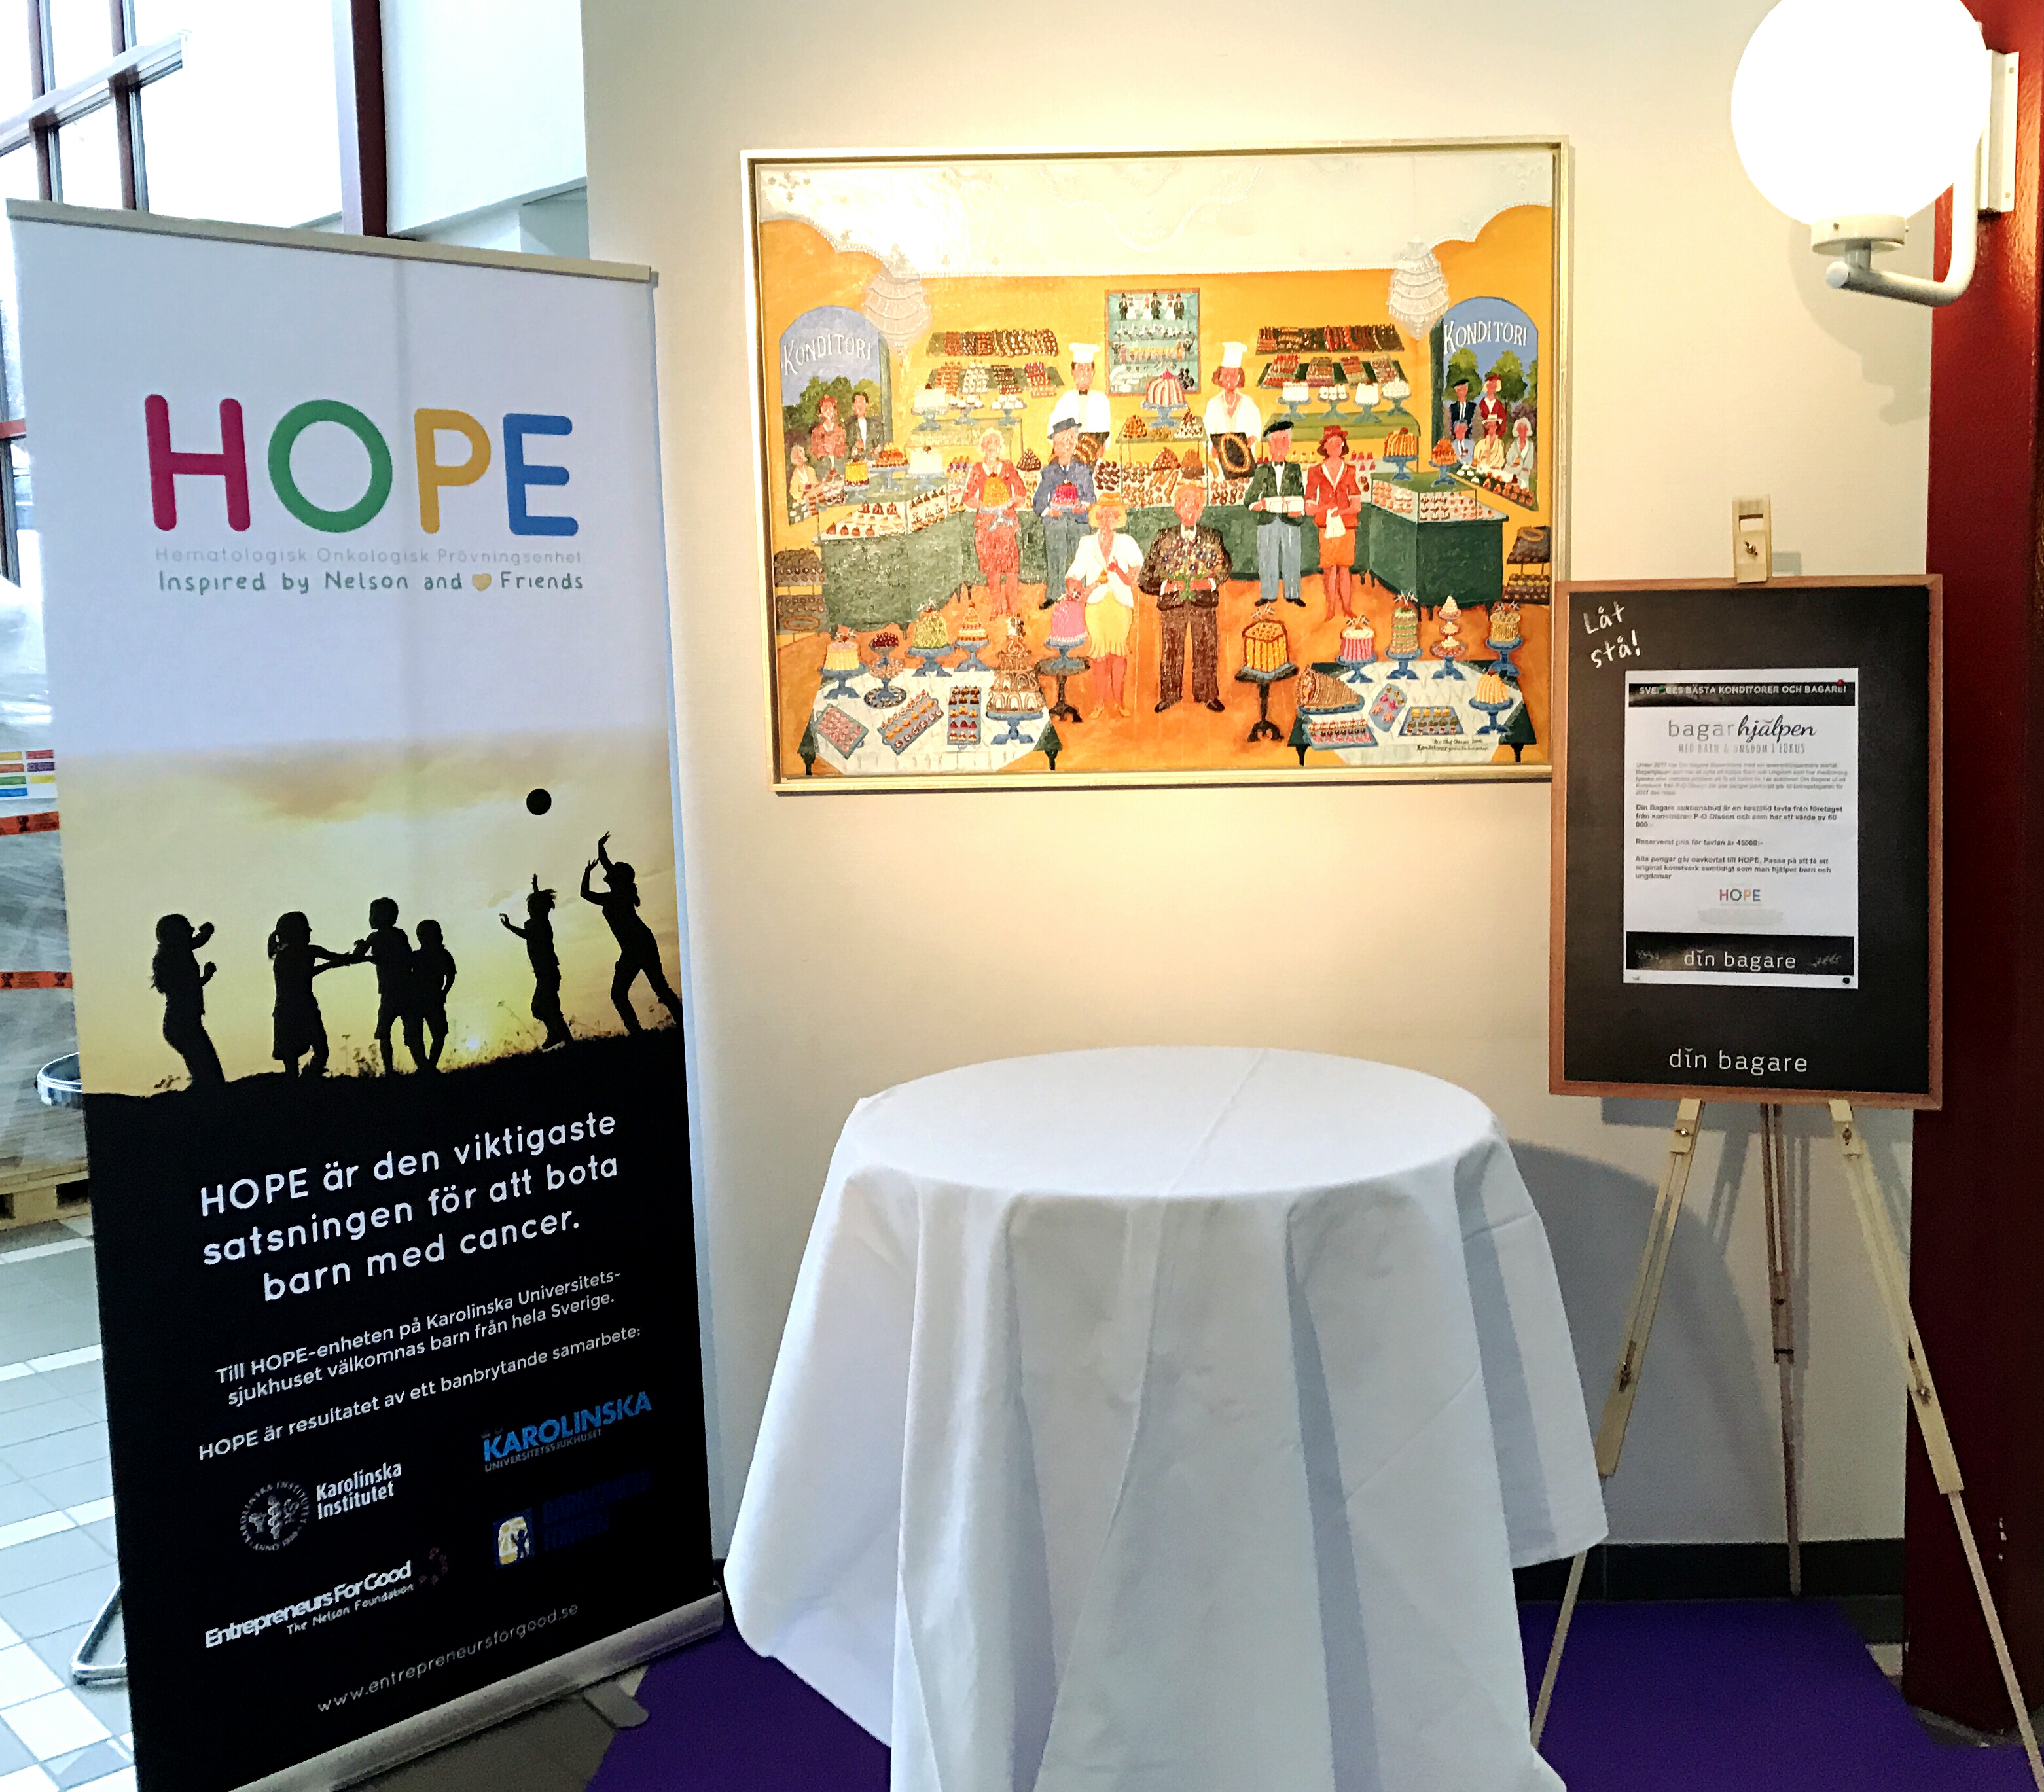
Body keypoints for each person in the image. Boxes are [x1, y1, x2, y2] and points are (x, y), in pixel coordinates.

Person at [1138, 480, 1230, 713]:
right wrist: (1166, 586)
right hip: (1173, 604)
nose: (1190, 509)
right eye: (1185, 503)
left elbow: (1225, 567)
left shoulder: (1212, 537)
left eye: (1195, 504)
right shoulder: (1164, 538)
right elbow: (1145, 577)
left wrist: (1208, 583)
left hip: (1203, 602)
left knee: (1207, 646)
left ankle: (1207, 694)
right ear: (1176, 508)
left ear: (1202, 510)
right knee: (1171, 649)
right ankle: (1170, 695)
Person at [582, 833, 685, 1034]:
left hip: (638, 945)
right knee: (657, 987)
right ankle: (677, 1023)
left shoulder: (614, 898)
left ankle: (639, 1032)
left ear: (618, 879)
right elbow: (606, 862)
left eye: (614, 869)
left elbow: (585, 893)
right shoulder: (620, 893)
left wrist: (587, 871)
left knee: (624, 992)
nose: (609, 869)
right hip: (640, 943)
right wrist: (600, 846)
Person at [1064, 497, 1144, 719]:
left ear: (1118, 518)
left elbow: (1133, 577)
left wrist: (1118, 570)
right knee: (1099, 655)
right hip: (1096, 605)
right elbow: (1074, 574)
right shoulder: (1087, 543)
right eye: (1103, 514)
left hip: (1120, 604)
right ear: (1097, 517)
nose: (1107, 519)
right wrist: (1075, 588)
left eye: (1112, 515)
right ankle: (1099, 702)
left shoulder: (1127, 542)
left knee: (1119, 653)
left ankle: (1119, 702)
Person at [266, 910, 352, 1079]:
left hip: (296, 1007)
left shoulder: (305, 951)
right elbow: (302, 975)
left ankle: (307, 1079)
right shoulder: (286, 956)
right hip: (293, 1008)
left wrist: (354, 957)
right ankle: (304, 1083)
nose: (310, 930)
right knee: (299, 1054)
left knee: (311, 1051)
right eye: (306, 928)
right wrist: (331, 965)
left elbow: (338, 958)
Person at [353, 897, 428, 1074]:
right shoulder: (399, 935)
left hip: (392, 992)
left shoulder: (376, 938)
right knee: (410, 1031)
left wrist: (362, 949)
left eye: (373, 914)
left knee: (386, 1032)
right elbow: (407, 958)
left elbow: (358, 957)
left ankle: (392, 1070)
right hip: (405, 989)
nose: (370, 918)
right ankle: (422, 1065)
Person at [152, 913, 223, 1088]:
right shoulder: (175, 955)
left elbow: (188, 986)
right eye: (187, 928)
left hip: (182, 1021)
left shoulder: (173, 955)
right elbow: (188, 985)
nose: (192, 930)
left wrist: (206, 977)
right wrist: (207, 931)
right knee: (208, 1071)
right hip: (183, 1022)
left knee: (206, 1070)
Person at [501, 876, 572, 1048]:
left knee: (540, 1008)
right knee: (551, 1008)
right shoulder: (541, 922)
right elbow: (539, 903)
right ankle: (564, 1039)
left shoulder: (539, 925)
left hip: (547, 973)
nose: (529, 910)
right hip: (546, 972)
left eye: (531, 907)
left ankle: (558, 1035)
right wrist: (535, 888)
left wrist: (509, 927)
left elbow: (528, 935)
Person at [1244, 417, 1306, 607]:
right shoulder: (1262, 470)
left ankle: (1293, 593)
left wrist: (1300, 511)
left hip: (1291, 521)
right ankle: (1268, 593)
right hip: (1267, 520)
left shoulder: (1295, 469)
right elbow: (1249, 499)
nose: (1280, 444)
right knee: (1267, 557)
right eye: (1276, 440)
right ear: (1270, 445)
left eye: (1284, 440)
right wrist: (1258, 505)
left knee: (1292, 555)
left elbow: (1300, 495)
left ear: (1289, 444)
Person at [1032, 421, 1095, 611]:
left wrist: (1083, 506)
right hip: (1056, 519)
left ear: (1075, 444)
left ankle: (1080, 593)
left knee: (1080, 554)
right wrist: (1049, 511)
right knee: (1055, 553)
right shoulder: (1049, 471)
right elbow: (1038, 502)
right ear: (1055, 446)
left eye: (1070, 442)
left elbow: (1091, 498)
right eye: (1062, 443)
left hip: (1078, 519)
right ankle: (1055, 593)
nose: (1066, 447)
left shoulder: (1083, 470)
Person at [963, 428, 1024, 617]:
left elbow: (1021, 494)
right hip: (987, 522)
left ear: (1000, 447)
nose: (992, 448)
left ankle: (1012, 608)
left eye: (996, 444)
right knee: (992, 569)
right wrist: (983, 505)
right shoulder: (977, 470)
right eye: (988, 444)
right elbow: (967, 497)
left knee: (1011, 568)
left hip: (1006, 522)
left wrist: (1009, 503)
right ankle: (996, 607)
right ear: (983, 448)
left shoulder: (1007, 467)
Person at [1306, 425, 1364, 620]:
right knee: (1329, 569)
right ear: (1325, 446)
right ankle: (1330, 609)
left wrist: (1341, 511)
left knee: (1345, 568)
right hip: (1325, 526)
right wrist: (1325, 509)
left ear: (1343, 446)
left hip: (1347, 526)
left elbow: (1356, 505)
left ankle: (1347, 608)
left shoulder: (1350, 471)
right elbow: (1309, 506)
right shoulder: (1315, 471)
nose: (1336, 446)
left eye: (1339, 442)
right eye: (1331, 442)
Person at [1203, 341, 1261, 476]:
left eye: (1234, 375)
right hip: (1220, 463)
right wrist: (1212, 448)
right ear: (1220, 377)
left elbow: (1256, 426)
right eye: (1226, 375)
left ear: (1239, 378)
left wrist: (1253, 437)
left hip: (1245, 462)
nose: (1229, 379)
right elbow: (1207, 430)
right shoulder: (1213, 404)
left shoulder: (1248, 403)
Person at [1046, 343, 1112, 444]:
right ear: (1073, 372)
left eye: (1088, 370)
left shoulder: (1102, 401)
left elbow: (1107, 436)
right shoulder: (1065, 401)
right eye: (1080, 370)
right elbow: (1051, 434)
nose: (1084, 375)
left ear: (1093, 373)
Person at [413, 920, 457, 1069]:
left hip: (434, 998)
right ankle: (425, 1066)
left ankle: (429, 1065)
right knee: (417, 1035)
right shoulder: (416, 957)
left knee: (439, 1034)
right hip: (419, 999)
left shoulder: (443, 955)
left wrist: (444, 992)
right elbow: (450, 975)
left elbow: (450, 975)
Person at [808, 393, 848, 476]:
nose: (827, 410)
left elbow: (843, 449)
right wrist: (823, 456)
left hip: (839, 470)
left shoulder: (840, 430)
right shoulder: (816, 432)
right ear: (821, 410)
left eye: (830, 407)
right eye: (825, 407)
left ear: (834, 410)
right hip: (823, 471)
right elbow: (814, 451)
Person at [844, 389, 882, 463]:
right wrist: (856, 449)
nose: (859, 405)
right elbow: (845, 452)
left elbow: (881, 445)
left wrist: (876, 451)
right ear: (853, 406)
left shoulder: (876, 425)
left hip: (874, 464)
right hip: (857, 465)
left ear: (867, 404)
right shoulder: (849, 427)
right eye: (857, 402)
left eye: (862, 402)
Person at [1446, 376, 1477, 467]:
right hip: (1456, 436)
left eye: (1463, 390)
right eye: (1459, 390)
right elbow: (1450, 423)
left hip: (1469, 436)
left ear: (1467, 391)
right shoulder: (1453, 408)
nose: (1461, 392)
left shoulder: (1472, 407)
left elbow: (1475, 422)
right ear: (1457, 392)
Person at [787, 441, 819, 522]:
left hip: (814, 501)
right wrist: (804, 493)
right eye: (797, 458)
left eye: (800, 457)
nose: (799, 459)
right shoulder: (795, 476)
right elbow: (794, 492)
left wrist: (807, 488)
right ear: (794, 460)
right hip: (801, 506)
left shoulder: (811, 470)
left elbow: (815, 484)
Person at [1476, 370, 1508, 449]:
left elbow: (1503, 421)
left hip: (1496, 438)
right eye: (1490, 386)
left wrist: (1498, 434)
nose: (1492, 389)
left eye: (1494, 386)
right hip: (1483, 438)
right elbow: (1477, 420)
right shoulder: (1482, 404)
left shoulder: (1499, 404)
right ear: (1487, 387)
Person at [1506, 414, 1536, 493]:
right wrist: (1514, 461)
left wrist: (1525, 467)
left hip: (1523, 472)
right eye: (1520, 430)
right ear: (1517, 431)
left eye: (1524, 429)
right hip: (1513, 470)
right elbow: (1508, 457)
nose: (1522, 432)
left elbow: (1530, 461)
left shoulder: (1530, 445)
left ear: (1527, 430)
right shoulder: (1515, 444)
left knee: (1523, 490)